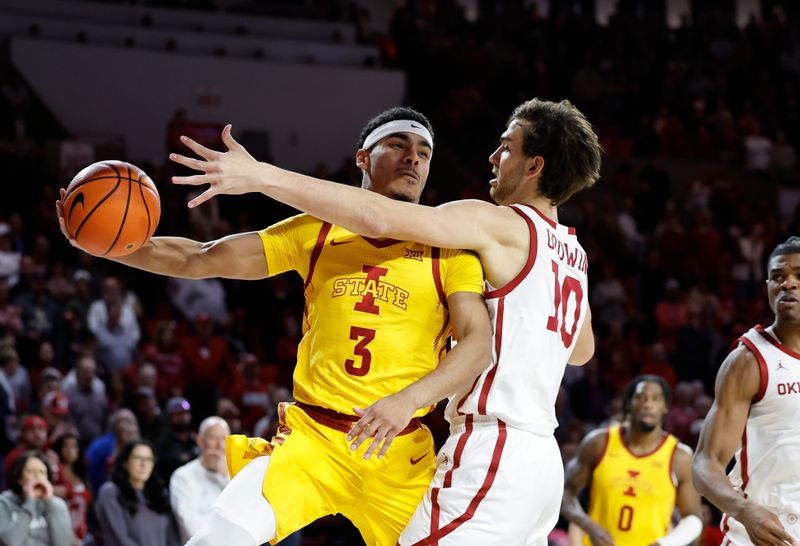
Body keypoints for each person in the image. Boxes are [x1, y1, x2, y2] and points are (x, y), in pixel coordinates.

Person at [165, 97, 599, 544]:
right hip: (544, 462)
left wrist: (261, 176)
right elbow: (581, 350)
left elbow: (375, 216)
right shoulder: (572, 254)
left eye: (507, 147)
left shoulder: (497, 224)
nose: (493, 156)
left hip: (495, 448)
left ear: (534, 167)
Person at [57, 106, 492, 546]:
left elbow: (478, 345)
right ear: (363, 158)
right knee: (215, 539)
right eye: (398, 144)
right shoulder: (319, 231)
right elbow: (202, 257)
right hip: (312, 441)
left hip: (397, 449)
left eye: (423, 152)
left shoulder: (448, 249)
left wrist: (407, 401)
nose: (413, 158)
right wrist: (106, 245)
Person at [693, 236, 800, 546]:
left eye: (798, 276)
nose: (788, 284)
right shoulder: (749, 359)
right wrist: (746, 511)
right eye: (778, 277)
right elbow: (704, 464)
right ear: (767, 286)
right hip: (759, 537)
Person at [561, 375, 702, 546]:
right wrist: (588, 525)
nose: (648, 404)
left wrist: (664, 543)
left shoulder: (680, 457)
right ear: (628, 403)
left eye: (655, 399)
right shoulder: (599, 442)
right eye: (641, 397)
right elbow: (564, 494)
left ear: (665, 407)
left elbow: (693, 519)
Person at [94, 439, 180, 546]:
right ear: (125, 462)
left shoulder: (159, 493)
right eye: (138, 458)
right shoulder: (110, 492)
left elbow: (172, 539)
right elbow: (119, 539)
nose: (144, 464)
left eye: (149, 459)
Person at [169, 416, 230, 542]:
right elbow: (191, 527)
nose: (220, 446)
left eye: (224, 439)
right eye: (213, 438)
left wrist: (225, 478)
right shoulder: (182, 476)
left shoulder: (234, 477)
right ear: (200, 441)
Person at [0, 450, 76, 546]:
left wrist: (49, 503)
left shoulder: (58, 505)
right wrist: (29, 503)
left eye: (42, 472)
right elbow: (8, 543)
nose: (37, 476)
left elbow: (64, 543)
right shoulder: (4, 503)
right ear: (19, 478)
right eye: (31, 471)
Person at [52, 430, 92, 542]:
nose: (70, 450)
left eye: (74, 446)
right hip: (59, 535)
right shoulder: (54, 474)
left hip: (83, 535)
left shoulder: (82, 476)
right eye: (65, 446)